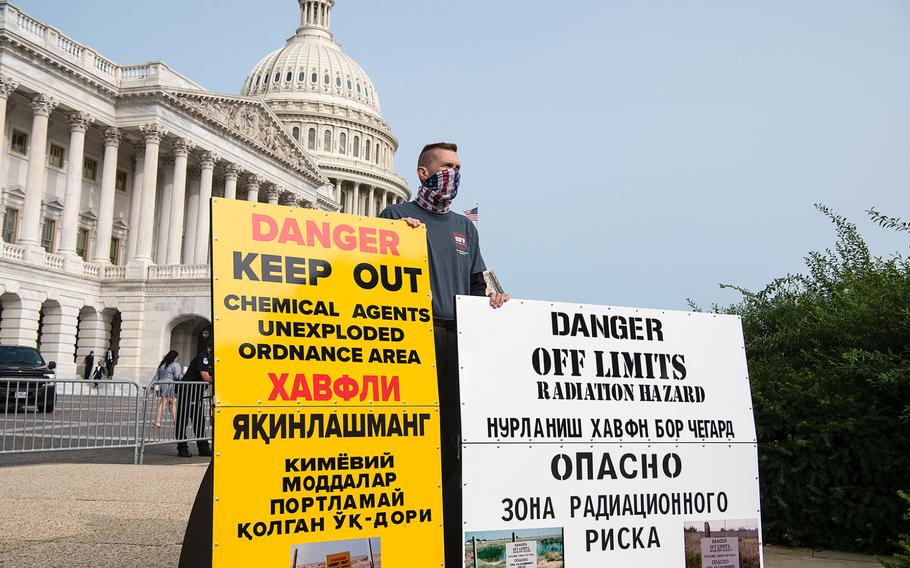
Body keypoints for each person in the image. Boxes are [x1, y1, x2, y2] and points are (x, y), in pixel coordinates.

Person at [379, 142, 508, 568]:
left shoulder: (464, 227)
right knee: (415, 430)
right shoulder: (395, 218)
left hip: (457, 339)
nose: (453, 173)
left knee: (454, 432)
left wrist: (496, 296)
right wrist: (399, 244)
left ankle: (446, 525)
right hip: (413, 338)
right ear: (423, 173)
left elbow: (481, 279)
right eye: (446, 166)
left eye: (458, 167)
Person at [176, 343, 213, 458]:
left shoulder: (211, 359)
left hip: (196, 392)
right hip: (187, 391)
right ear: (210, 348)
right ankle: (182, 448)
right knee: (183, 419)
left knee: (198, 419)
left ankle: (203, 447)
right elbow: (205, 376)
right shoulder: (204, 358)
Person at [150, 350, 180, 428]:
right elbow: (177, 376)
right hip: (170, 385)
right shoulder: (175, 365)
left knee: (171, 404)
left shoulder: (162, 364)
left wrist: (152, 386)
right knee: (164, 403)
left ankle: (176, 421)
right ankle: (158, 421)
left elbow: (156, 377)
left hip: (162, 385)